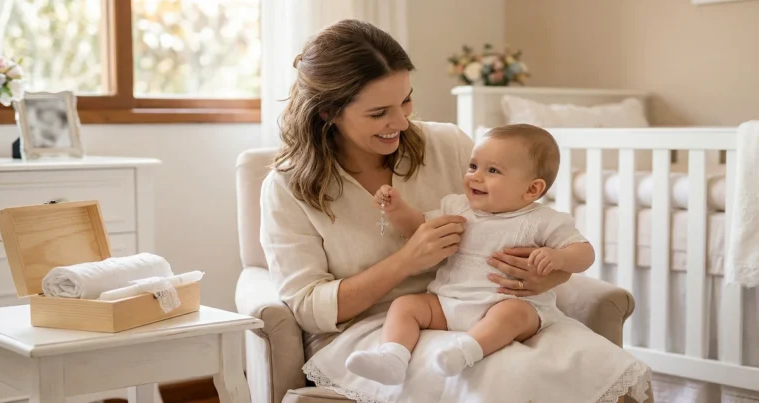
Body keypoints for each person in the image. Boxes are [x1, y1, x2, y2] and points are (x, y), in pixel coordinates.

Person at [259, 18, 651, 403]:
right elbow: (308, 308)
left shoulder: (447, 144)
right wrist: (406, 261)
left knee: (609, 371)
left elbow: (524, 217)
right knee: (508, 373)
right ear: (328, 112)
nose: (401, 122)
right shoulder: (288, 187)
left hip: (485, 308)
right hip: (378, 332)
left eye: (406, 100)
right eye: (379, 113)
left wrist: (548, 275)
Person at [344, 124, 596, 385]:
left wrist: (559, 258)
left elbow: (584, 252)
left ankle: (465, 352)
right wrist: (396, 209)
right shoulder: (457, 207)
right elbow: (420, 229)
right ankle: (392, 357)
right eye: (473, 166)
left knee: (514, 314)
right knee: (405, 305)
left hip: (504, 303)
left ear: (532, 190)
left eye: (492, 170)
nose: (475, 177)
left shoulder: (543, 220)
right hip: (448, 302)